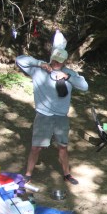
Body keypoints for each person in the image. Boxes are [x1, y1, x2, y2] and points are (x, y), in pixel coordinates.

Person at [16, 47, 89, 185]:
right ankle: (28, 174)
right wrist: (39, 63)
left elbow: (85, 86)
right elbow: (19, 60)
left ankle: (67, 174)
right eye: (55, 59)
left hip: (61, 117)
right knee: (36, 147)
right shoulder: (39, 70)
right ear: (51, 57)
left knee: (63, 147)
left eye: (60, 61)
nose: (56, 63)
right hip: (43, 115)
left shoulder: (69, 73)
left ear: (65, 61)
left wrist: (67, 77)